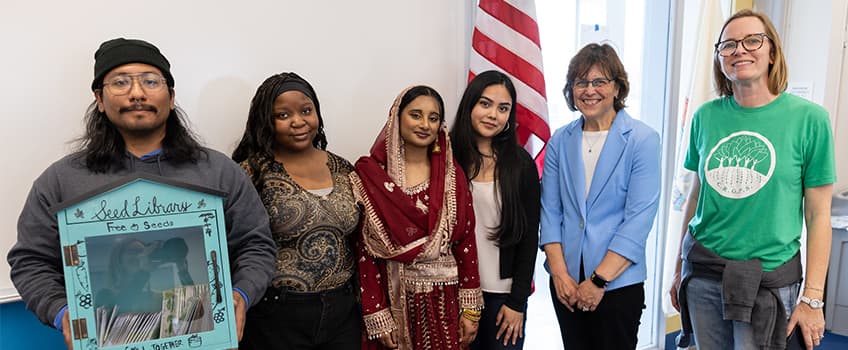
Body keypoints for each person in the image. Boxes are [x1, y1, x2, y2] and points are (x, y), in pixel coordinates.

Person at [6, 38, 276, 349]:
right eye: (120, 82)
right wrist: (63, 313)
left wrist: (240, 294)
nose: (137, 93)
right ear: (100, 99)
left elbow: (256, 244)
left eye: (151, 81)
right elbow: (30, 261)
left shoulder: (219, 171)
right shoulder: (61, 180)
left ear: (171, 96)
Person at [670, 9, 835, 350]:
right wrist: (677, 268)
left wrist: (813, 298)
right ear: (719, 58)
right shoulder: (706, 116)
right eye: (728, 45)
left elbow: (819, 216)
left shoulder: (809, 120)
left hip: (768, 282)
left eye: (752, 41)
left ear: (772, 52)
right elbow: (696, 198)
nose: (739, 50)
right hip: (703, 272)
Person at [540, 43, 661, 349]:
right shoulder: (559, 141)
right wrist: (559, 274)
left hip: (617, 283)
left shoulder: (642, 140)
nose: (589, 90)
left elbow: (638, 220)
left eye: (599, 81)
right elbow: (550, 212)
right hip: (566, 283)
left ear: (617, 88)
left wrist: (598, 281)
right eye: (581, 82)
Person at [231, 72, 362, 349]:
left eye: (306, 111)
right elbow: (236, 244)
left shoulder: (344, 169)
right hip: (276, 314)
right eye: (283, 115)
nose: (298, 122)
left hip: (343, 312)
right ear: (266, 121)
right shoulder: (252, 172)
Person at [351, 86, 483, 349]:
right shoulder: (372, 177)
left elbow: (466, 243)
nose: (425, 124)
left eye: (433, 118)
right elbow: (365, 252)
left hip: (445, 301)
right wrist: (376, 312)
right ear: (397, 118)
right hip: (392, 298)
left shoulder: (451, 177)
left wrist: (470, 310)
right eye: (416, 115)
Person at [448, 70, 540, 349]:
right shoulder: (448, 157)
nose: (493, 115)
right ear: (470, 106)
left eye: (503, 109)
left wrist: (517, 302)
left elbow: (529, 238)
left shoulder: (521, 164)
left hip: (504, 295)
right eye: (485, 104)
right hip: (456, 291)